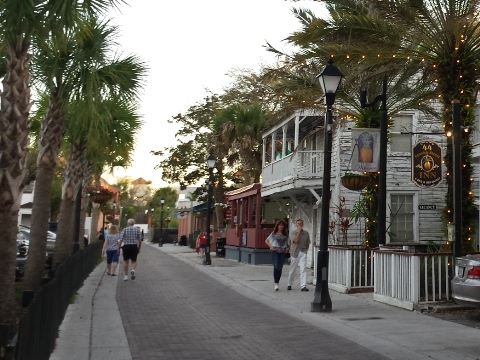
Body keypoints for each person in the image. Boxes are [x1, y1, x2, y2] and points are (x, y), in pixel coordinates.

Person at [265, 220, 289, 291]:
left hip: (282, 251)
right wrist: (271, 246)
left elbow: (288, 243)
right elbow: (266, 240)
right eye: (280, 225)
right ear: (277, 226)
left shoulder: (286, 234)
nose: (281, 226)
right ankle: (276, 283)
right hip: (275, 251)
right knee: (276, 266)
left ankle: (278, 282)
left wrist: (287, 248)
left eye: (282, 225)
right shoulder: (273, 234)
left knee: (280, 267)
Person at [287, 219, 311, 291]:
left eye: (300, 223)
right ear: (296, 225)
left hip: (303, 252)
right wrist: (299, 232)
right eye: (298, 223)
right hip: (295, 252)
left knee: (303, 269)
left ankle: (303, 285)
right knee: (293, 269)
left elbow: (308, 243)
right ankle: (289, 284)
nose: (299, 225)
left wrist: (306, 250)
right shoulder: (293, 233)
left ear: (302, 224)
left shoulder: (306, 233)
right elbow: (296, 241)